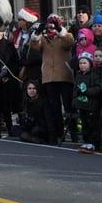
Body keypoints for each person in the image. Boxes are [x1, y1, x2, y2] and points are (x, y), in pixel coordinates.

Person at [31, 13, 75, 144]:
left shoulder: (65, 36)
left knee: (68, 106)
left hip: (64, 76)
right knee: (54, 107)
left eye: (54, 23)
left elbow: (69, 43)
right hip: (49, 77)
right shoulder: (44, 39)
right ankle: (59, 133)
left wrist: (60, 30)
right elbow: (34, 47)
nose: (51, 26)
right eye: (49, 23)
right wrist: (38, 32)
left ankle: (73, 133)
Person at [74, 52, 102, 153]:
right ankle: (86, 141)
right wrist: (74, 101)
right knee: (84, 124)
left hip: (92, 105)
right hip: (82, 104)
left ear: (90, 63)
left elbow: (98, 89)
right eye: (80, 63)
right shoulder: (78, 75)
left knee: (93, 124)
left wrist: (86, 91)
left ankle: (93, 143)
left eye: (84, 63)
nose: (82, 65)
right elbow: (75, 89)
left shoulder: (94, 75)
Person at [18, 80, 50, 144]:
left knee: (35, 130)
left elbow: (49, 120)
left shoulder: (43, 101)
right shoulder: (26, 101)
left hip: (42, 127)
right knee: (16, 129)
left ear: (37, 89)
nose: (31, 91)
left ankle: (36, 139)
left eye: (34, 88)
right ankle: (35, 140)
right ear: (26, 90)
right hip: (31, 126)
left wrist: (53, 138)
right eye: (29, 88)